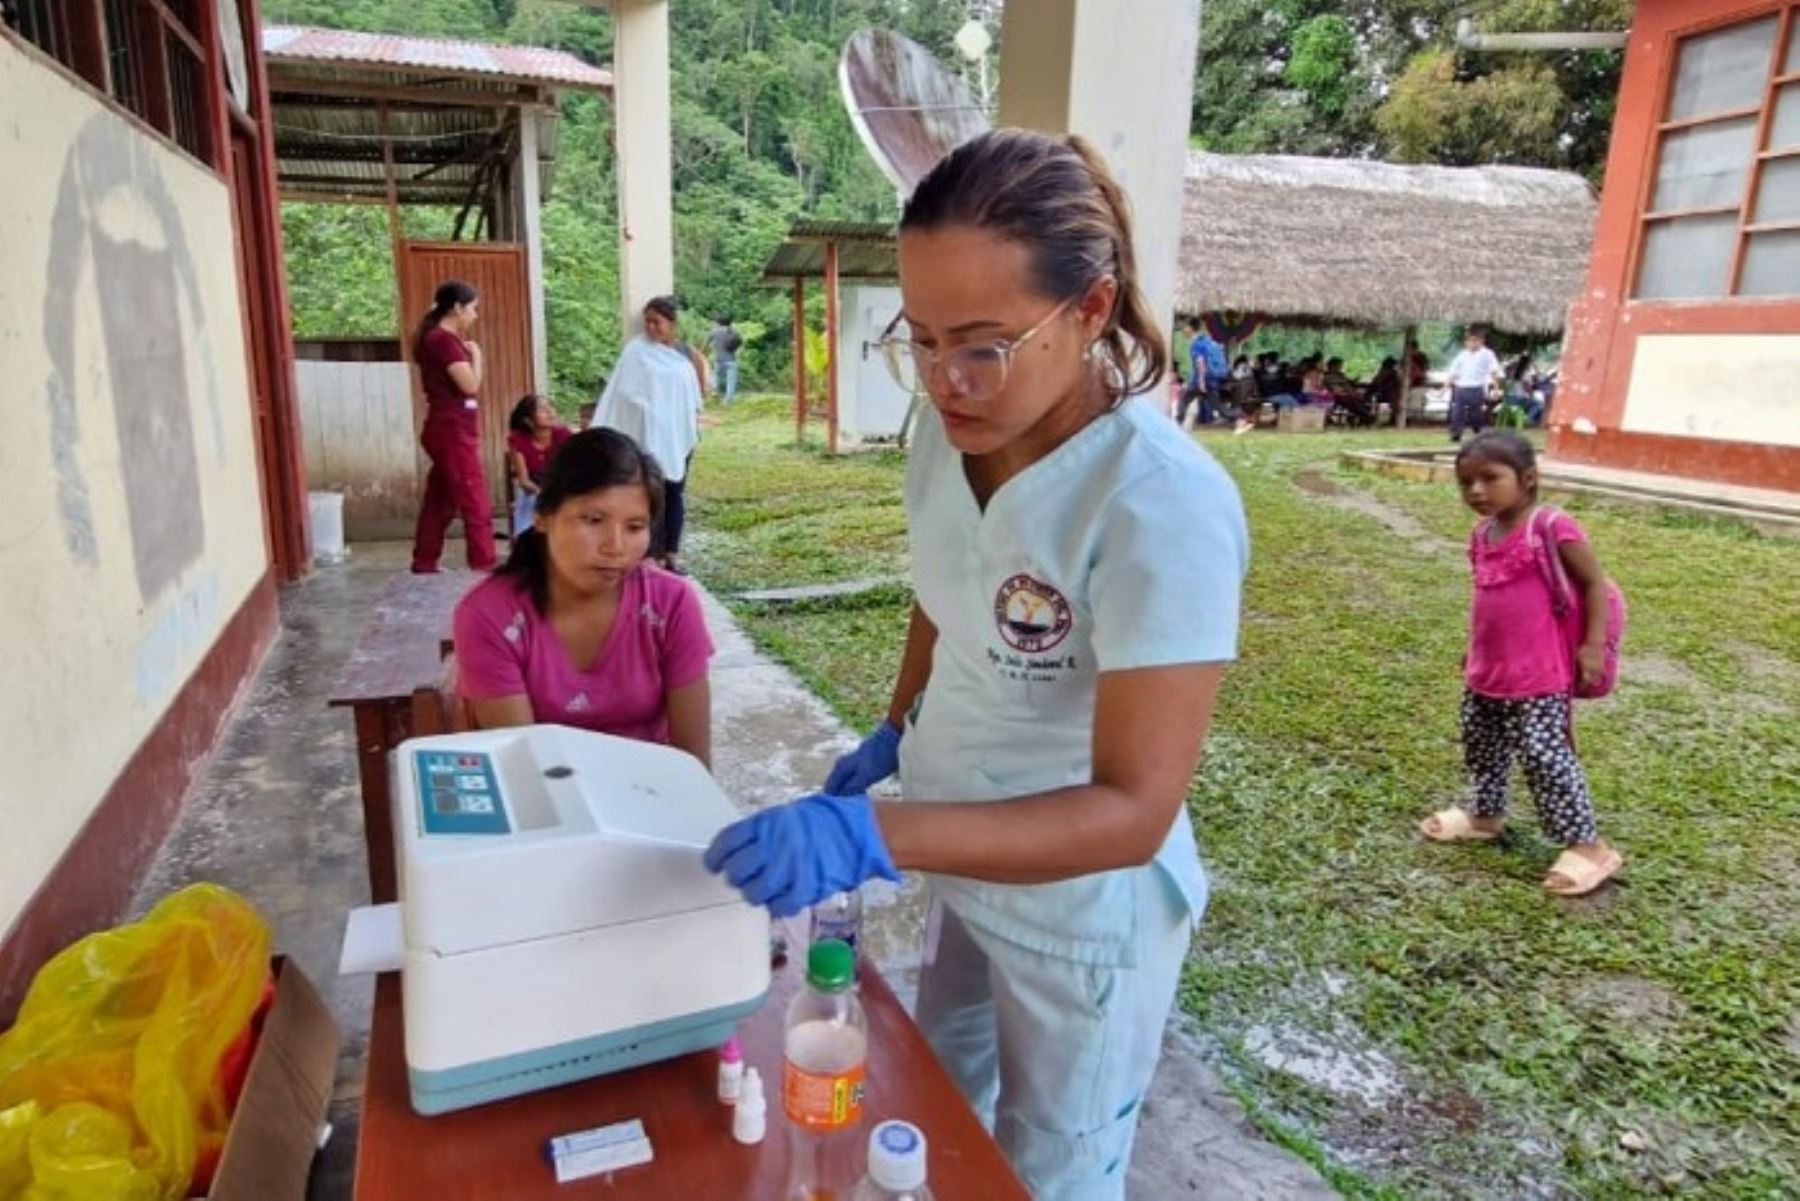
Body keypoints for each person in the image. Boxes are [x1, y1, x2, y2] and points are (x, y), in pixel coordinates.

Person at [702, 129, 1248, 1200]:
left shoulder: (1157, 504)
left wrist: (872, 833)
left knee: (1050, 1166)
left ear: (1090, 310)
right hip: (967, 858)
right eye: (922, 339)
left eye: (985, 345)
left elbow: (1134, 809)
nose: (947, 381)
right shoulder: (946, 434)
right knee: (932, 1114)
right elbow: (945, 586)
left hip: (1083, 915)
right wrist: (899, 725)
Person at [1418, 432, 1622, 897]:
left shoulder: (1551, 527)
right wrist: (1474, 649)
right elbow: (1489, 599)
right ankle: (1485, 815)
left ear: (1528, 479)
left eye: (1490, 479)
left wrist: (1591, 645)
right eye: (1465, 482)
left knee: (1544, 754)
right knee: (1481, 742)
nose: (1476, 491)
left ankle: (1590, 846)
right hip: (1489, 670)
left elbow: (1593, 584)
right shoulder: (1481, 535)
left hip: (1541, 672)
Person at [452, 427, 714, 763]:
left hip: (652, 797)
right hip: (546, 802)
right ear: (543, 516)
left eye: (635, 527)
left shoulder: (672, 603)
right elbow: (524, 765)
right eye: (593, 520)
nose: (615, 547)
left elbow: (693, 763)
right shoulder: (488, 615)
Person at [590, 296, 703, 573]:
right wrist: (648, 409)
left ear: (672, 324)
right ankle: (645, 555)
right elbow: (624, 391)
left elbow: (693, 393)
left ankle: (672, 553)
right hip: (647, 435)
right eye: (647, 322)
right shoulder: (636, 352)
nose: (651, 328)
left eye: (657, 322)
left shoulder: (685, 355)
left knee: (675, 492)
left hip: (678, 435)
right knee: (646, 495)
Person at [410, 280, 497, 574]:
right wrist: (478, 358)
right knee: (475, 501)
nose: (475, 314)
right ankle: (484, 566)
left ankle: (425, 561)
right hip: (452, 431)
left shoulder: (439, 339)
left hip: (450, 428)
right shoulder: (443, 341)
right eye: (473, 308)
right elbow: (470, 385)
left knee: (440, 499)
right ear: (457, 308)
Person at [506, 394, 573, 536]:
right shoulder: (517, 439)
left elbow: (572, 469)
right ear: (528, 420)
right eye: (543, 409)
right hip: (534, 488)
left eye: (551, 407)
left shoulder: (563, 434)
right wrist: (542, 494)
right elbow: (524, 481)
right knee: (529, 505)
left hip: (561, 485)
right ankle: (526, 541)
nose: (550, 412)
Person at [1445, 326, 1502, 443]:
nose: (1472, 343)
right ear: (1466, 342)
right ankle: (1456, 433)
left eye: (1475, 341)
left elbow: (1494, 371)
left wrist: (1496, 388)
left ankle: (1478, 430)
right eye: (1470, 341)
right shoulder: (1462, 355)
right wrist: (1444, 387)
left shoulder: (1487, 354)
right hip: (1461, 387)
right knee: (1457, 412)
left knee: (1476, 414)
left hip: (1477, 388)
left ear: (1481, 342)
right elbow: (1453, 373)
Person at [707, 315, 743, 406]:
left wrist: (702, 353)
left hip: (719, 360)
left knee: (715, 375)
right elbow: (739, 345)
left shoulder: (714, 332)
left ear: (719, 323)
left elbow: (706, 343)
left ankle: (714, 390)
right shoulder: (734, 332)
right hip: (731, 360)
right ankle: (727, 402)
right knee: (731, 382)